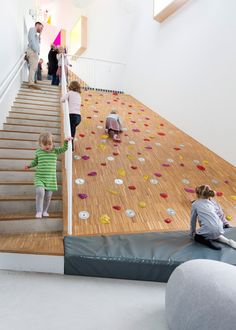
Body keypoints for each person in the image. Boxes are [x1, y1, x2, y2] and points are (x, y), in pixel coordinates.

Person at [24, 132, 72, 218]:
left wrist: (65, 141)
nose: (47, 146)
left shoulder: (55, 151)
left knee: (48, 196)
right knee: (40, 192)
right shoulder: (38, 152)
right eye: (45, 144)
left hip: (50, 179)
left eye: (50, 144)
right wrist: (30, 165)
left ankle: (45, 210)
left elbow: (64, 149)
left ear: (53, 143)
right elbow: (35, 161)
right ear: (40, 144)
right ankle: (39, 211)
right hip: (40, 177)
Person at [190, 185, 236, 250]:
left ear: (197, 194)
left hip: (209, 229)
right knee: (214, 234)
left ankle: (208, 243)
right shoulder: (211, 203)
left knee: (197, 237)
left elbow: (193, 220)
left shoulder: (195, 204)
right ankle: (229, 241)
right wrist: (225, 223)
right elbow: (219, 213)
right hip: (220, 228)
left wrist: (192, 233)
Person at [61, 81, 81, 151]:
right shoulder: (78, 95)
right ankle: (70, 146)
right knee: (72, 131)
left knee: (71, 133)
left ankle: (70, 148)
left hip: (72, 115)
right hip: (78, 117)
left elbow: (62, 99)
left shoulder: (70, 93)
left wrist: (67, 100)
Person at [27, 22, 44, 89]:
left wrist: (40, 35)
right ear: (37, 25)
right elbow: (31, 40)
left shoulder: (36, 34)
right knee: (33, 68)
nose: (41, 29)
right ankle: (31, 83)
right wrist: (35, 50)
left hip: (34, 52)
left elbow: (38, 42)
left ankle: (32, 81)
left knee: (34, 68)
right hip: (32, 51)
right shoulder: (32, 29)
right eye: (41, 27)